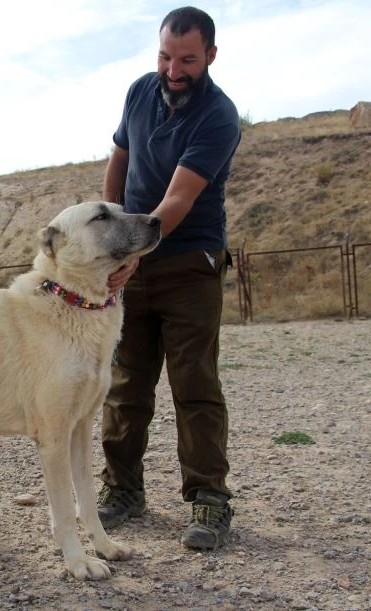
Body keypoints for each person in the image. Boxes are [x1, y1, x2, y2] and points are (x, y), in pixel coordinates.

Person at [97, 6, 241, 550]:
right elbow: (119, 158)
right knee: (126, 381)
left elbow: (179, 196)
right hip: (132, 256)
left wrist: (133, 249)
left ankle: (209, 499)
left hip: (189, 262)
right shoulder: (139, 91)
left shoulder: (219, 115)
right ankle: (122, 490)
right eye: (165, 55)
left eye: (187, 59)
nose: (173, 69)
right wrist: (110, 231)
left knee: (193, 382)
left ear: (210, 55)